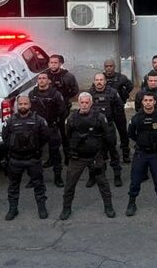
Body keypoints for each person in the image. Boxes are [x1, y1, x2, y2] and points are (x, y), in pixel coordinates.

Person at [59, 92, 116, 220]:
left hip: (95, 156)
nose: (84, 105)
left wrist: (104, 154)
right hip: (77, 157)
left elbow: (108, 136)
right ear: (78, 103)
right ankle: (66, 208)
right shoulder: (72, 118)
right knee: (69, 185)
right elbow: (67, 137)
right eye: (82, 102)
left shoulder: (99, 117)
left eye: (87, 102)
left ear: (91, 103)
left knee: (103, 183)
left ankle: (109, 207)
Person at [2, 94, 50, 220]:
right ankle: (13, 209)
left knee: (39, 185)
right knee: (13, 186)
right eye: (20, 104)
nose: (23, 106)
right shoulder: (10, 121)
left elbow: (45, 137)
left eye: (25, 104)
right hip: (15, 159)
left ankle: (42, 208)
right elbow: (5, 138)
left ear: (30, 105)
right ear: (17, 106)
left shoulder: (39, 120)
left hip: (33, 159)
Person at [126, 91, 157, 217]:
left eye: (150, 100)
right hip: (140, 153)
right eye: (145, 100)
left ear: (154, 102)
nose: (148, 103)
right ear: (142, 102)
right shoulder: (137, 118)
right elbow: (131, 133)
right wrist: (142, 142)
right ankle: (131, 203)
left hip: (156, 154)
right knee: (135, 180)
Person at [28, 72, 67, 187]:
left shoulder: (55, 94)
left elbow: (62, 110)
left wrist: (57, 123)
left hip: (51, 127)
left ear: (49, 81)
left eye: (44, 78)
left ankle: (58, 177)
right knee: (34, 155)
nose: (41, 80)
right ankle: (34, 179)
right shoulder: (32, 94)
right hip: (37, 129)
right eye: (39, 78)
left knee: (55, 154)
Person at [88, 73, 124, 188]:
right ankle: (93, 176)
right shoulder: (89, 94)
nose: (99, 82)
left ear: (105, 81)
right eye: (97, 80)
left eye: (101, 80)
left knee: (113, 152)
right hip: (95, 129)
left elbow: (119, 107)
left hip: (108, 127)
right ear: (94, 82)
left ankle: (117, 176)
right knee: (94, 154)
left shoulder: (113, 92)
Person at [46, 54, 79, 153]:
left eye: (55, 63)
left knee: (64, 132)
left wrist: (65, 98)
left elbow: (75, 89)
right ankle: (53, 157)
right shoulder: (45, 75)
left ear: (60, 64)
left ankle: (67, 154)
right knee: (51, 134)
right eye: (51, 63)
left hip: (63, 108)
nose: (53, 65)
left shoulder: (68, 76)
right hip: (49, 109)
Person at [103, 59, 133, 164]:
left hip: (118, 110)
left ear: (114, 67)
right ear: (104, 67)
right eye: (106, 66)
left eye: (111, 66)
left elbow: (130, 86)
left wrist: (123, 96)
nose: (108, 68)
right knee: (105, 132)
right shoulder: (101, 78)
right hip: (105, 111)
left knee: (123, 132)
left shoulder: (121, 78)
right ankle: (105, 153)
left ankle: (125, 153)